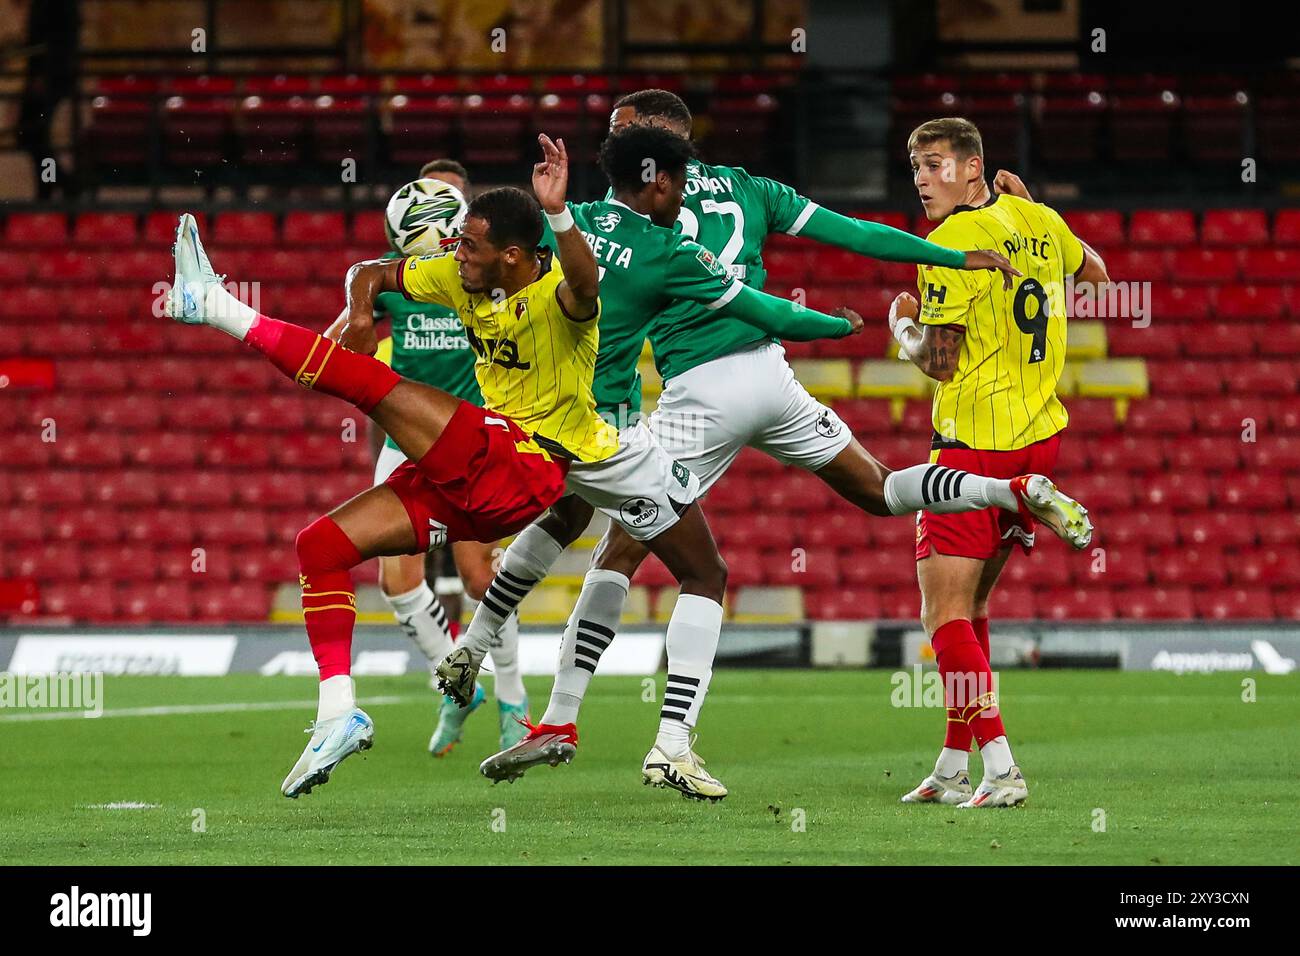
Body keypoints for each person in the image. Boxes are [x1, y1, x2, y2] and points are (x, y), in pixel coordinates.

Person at [458, 120, 1092, 797]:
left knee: (625, 549)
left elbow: (526, 265)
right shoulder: (749, 187)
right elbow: (854, 235)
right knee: (879, 491)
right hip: (772, 379)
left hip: (696, 396)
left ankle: (588, 723)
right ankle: (1008, 493)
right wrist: (878, 300)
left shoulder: (613, 224)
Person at [167, 136, 602, 798]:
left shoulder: (557, 294)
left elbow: (584, 281)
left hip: (521, 459)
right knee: (320, 545)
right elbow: (374, 270)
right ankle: (338, 713)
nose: (457, 253)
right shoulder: (455, 277)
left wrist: (561, 213)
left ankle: (216, 305)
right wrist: (365, 306)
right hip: (464, 471)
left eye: (470, 244)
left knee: (368, 386)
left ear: (512, 253)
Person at [892, 118, 1105, 809]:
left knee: (941, 616)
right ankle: (955, 762)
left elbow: (941, 362)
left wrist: (901, 330)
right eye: (916, 168)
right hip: (1039, 436)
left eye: (935, 165)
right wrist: (1034, 206)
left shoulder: (948, 243)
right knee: (974, 604)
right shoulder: (1036, 216)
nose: (922, 179)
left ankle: (1002, 766)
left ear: (973, 166)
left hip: (971, 446)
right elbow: (1096, 275)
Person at [325, 158, 529, 757]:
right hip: (405, 442)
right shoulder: (401, 281)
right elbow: (345, 327)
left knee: (480, 577)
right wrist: (348, 329)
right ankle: (459, 682)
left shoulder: (480, 278)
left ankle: (514, 700)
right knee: (396, 580)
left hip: (471, 441)